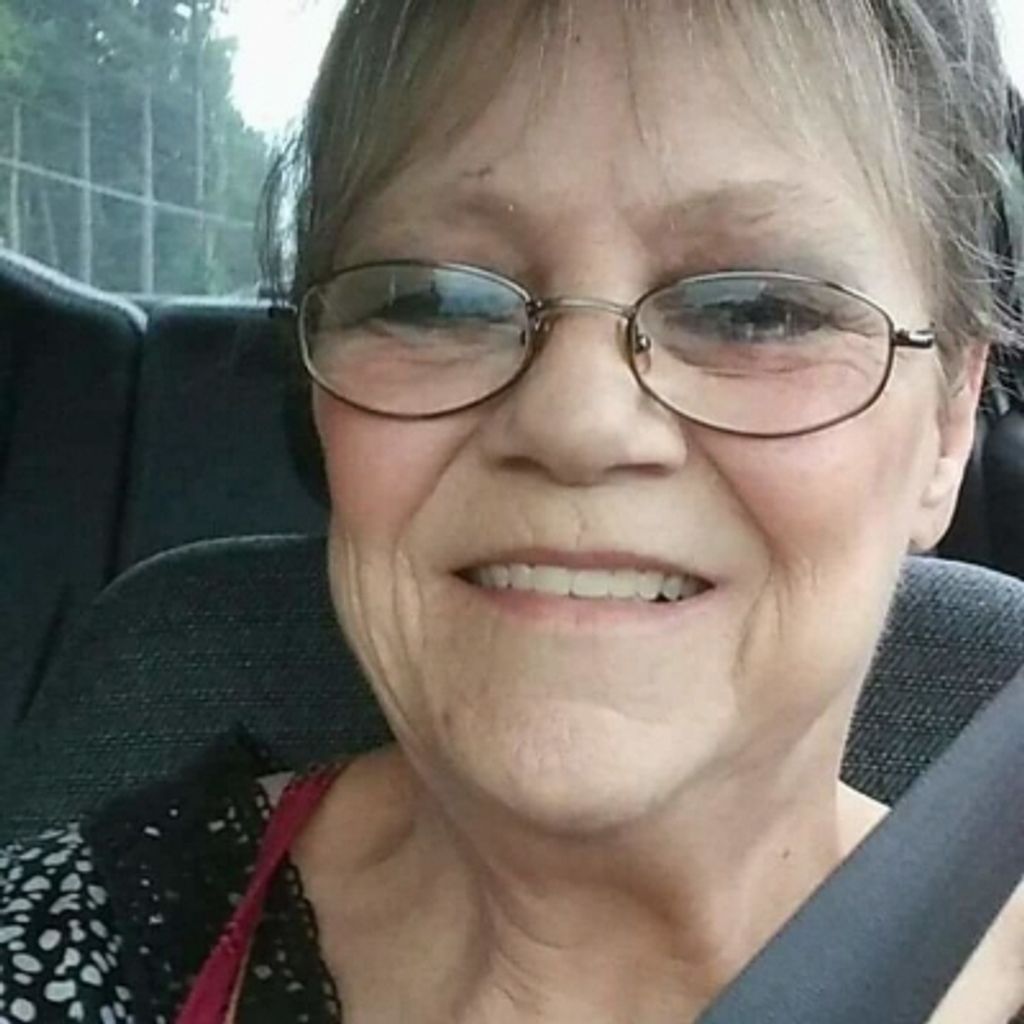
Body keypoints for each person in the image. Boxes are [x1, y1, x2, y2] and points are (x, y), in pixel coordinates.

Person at [2, 0, 1023, 1021]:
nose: (575, 420)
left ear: (947, 425)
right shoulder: (42, 954)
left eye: (757, 312)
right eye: (436, 300)